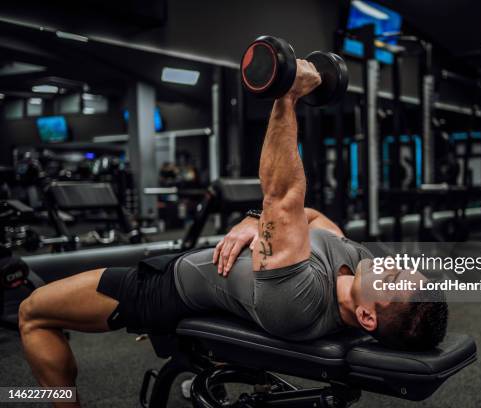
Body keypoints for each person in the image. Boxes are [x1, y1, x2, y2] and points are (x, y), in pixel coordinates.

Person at [18, 60, 448, 407]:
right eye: (402, 267)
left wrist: (288, 93)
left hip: (162, 287)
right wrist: (251, 222)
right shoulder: (354, 265)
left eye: (391, 278)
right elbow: (313, 218)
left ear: (368, 317)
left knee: (33, 313)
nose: (391, 264)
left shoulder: (300, 299)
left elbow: (283, 195)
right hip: (216, 276)